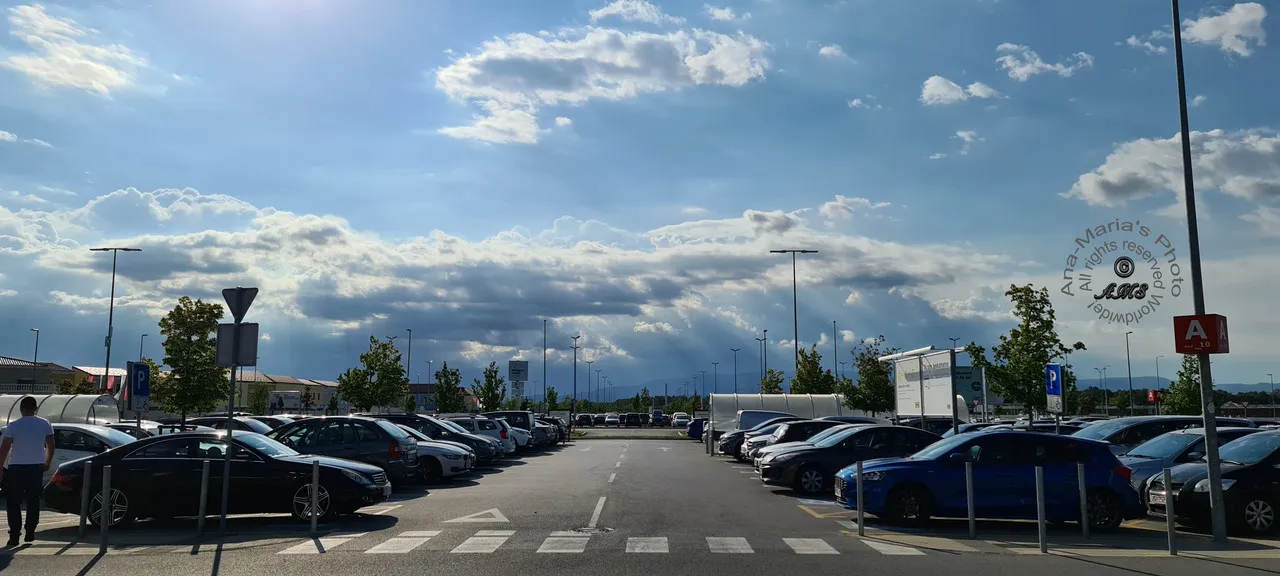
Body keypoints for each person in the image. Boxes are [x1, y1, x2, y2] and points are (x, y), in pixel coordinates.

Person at [0, 397, 55, 546]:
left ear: (21, 409)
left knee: (13, 501)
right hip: (36, 466)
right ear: (36, 408)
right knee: (33, 500)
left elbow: (4, 449)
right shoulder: (45, 424)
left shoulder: (13, 425)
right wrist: (47, 462)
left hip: (16, 466)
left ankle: (14, 535)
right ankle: (30, 531)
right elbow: (51, 444)